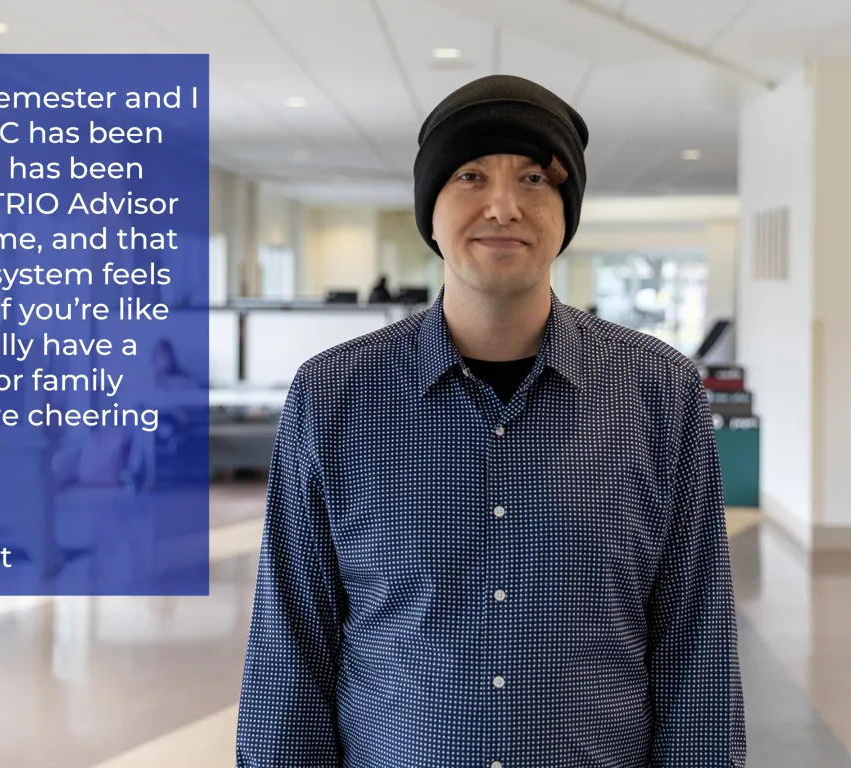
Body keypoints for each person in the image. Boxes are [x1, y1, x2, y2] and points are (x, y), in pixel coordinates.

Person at [236, 74, 746, 767]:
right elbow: (289, 650)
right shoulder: (333, 398)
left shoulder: (661, 393)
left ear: (566, 210)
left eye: (534, 177)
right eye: (471, 175)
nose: (503, 206)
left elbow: (698, 649)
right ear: (432, 206)